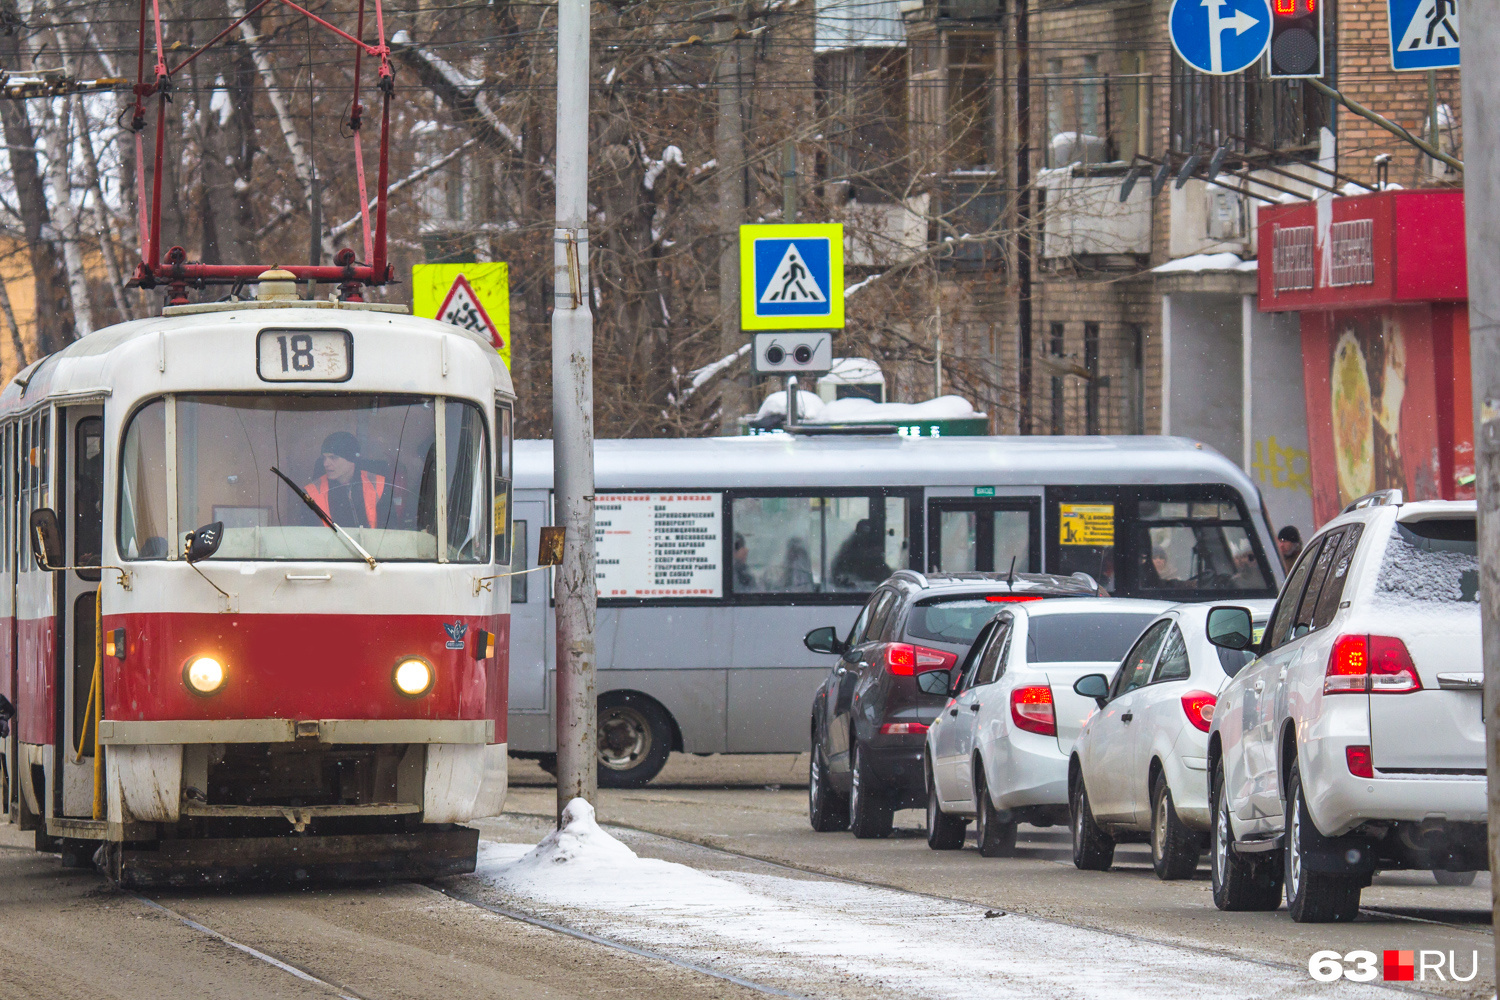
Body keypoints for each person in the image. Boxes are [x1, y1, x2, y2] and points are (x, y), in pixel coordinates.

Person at [304, 431, 391, 529]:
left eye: (333, 457)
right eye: (324, 458)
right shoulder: (311, 493)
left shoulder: (379, 485)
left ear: (351, 459)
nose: (325, 464)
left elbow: (391, 532)